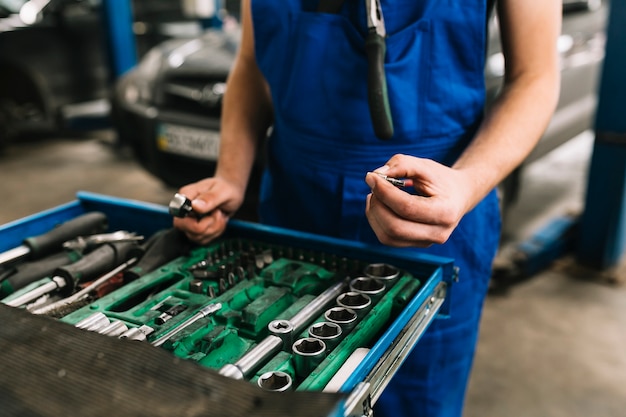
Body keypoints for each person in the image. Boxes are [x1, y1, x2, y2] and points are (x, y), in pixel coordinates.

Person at [173, 0, 561, 415]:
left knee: (414, 398)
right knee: (285, 392)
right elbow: (252, 63)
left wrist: (466, 183)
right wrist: (231, 176)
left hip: (432, 221)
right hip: (294, 209)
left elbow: (534, 76)